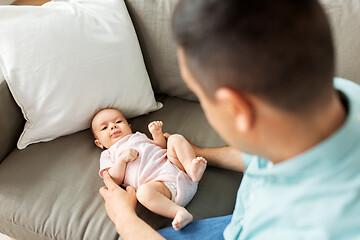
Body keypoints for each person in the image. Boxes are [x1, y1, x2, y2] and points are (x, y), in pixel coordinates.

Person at [99, 0, 360, 239]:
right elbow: (259, 156)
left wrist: (126, 221)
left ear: (238, 109)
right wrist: (201, 153)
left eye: (201, 96)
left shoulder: (301, 228)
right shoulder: (337, 94)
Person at [92, 108, 207, 230]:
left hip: (175, 167)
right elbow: (114, 180)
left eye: (118, 122)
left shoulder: (138, 136)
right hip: (160, 187)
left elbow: (160, 147)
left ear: (129, 126)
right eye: (104, 128)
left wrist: (157, 134)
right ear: (99, 143)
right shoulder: (108, 154)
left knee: (175, 139)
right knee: (143, 193)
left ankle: (191, 168)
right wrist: (121, 160)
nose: (113, 127)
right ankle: (178, 212)